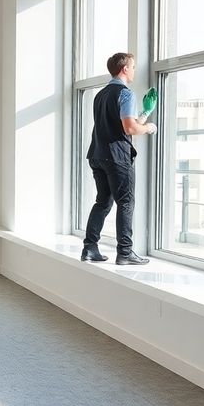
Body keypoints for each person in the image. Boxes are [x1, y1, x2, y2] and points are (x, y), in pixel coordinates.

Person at [82, 53, 157, 265]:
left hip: (98, 154)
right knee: (126, 202)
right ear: (124, 69)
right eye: (133, 66)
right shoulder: (125, 93)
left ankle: (89, 248)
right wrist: (149, 127)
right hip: (117, 157)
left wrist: (143, 113)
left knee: (103, 201)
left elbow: (116, 125)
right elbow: (129, 128)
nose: (134, 70)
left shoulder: (101, 94)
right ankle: (125, 251)